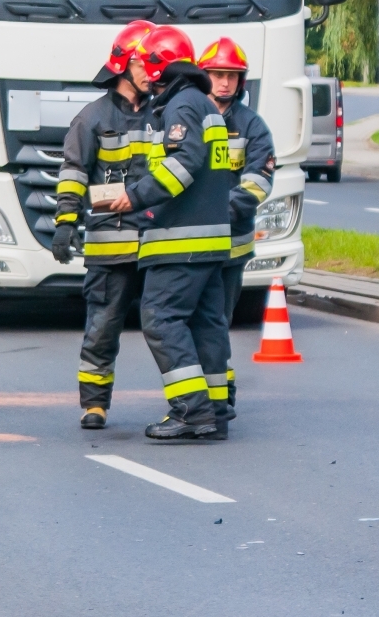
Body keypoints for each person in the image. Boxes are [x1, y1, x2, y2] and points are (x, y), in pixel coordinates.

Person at [98, 25, 233, 441]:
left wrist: (134, 197)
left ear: (160, 66)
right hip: (210, 240)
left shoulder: (181, 106)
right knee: (207, 324)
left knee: (160, 318)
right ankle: (213, 411)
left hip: (181, 241)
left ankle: (191, 411)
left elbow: (183, 163)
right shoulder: (203, 105)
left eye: (145, 63)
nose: (142, 73)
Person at [52, 21, 156, 430]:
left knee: (166, 325)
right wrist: (66, 223)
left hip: (157, 239)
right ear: (122, 65)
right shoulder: (91, 118)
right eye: (145, 64)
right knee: (103, 326)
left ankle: (186, 403)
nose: (152, 72)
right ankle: (94, 404)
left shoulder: (167, 112)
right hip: (110, 241)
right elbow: (73, 172)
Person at [198, 37, 275, 421]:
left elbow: (258, 182)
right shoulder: (187, 117)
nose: (224, 82)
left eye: (231, 75)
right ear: (204, 75)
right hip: (190, 242)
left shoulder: (252, 126)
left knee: (218, 319)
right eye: (216, 74)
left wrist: (215, 211)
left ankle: (221, 389)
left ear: (241, 81)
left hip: (231, 244)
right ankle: (200, 391)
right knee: (192, 317)